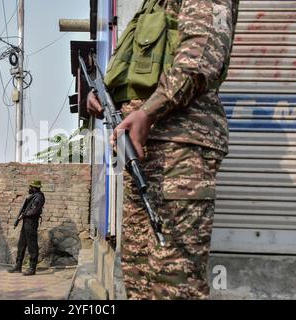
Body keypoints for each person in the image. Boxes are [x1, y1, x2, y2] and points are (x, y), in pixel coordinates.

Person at [87, 0, 239, 299]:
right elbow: (137, 71)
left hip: (180, 147)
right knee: (138, 272)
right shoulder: (151, 4)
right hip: (143, 150)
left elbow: (200, 58)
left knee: (174, 277)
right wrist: (104, 95)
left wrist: (149, 112)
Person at [7, 180, 45, 276]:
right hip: (26, 223)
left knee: (32, 246)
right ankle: (18, 266)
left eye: (30, 187)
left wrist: (24, 215)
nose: (29, 188)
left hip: (31, 223)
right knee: (21, 245)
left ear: (34, 188)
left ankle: (32, 268)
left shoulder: (39, 197)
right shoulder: (33, 196)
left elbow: (34, 211)